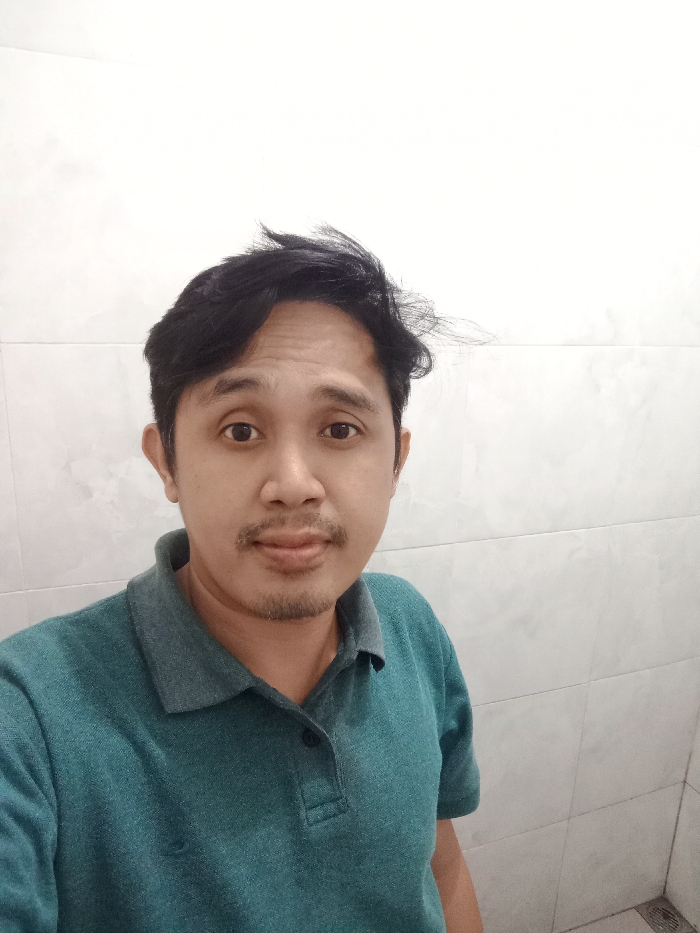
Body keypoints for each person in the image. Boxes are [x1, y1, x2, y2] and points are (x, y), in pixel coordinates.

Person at [0, 227, 481, 932]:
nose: (293, 483)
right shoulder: (30, 717)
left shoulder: (410, 626)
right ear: (166, 462)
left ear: (395, 463)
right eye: (240, 430)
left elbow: (441, 869)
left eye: (340, 429)